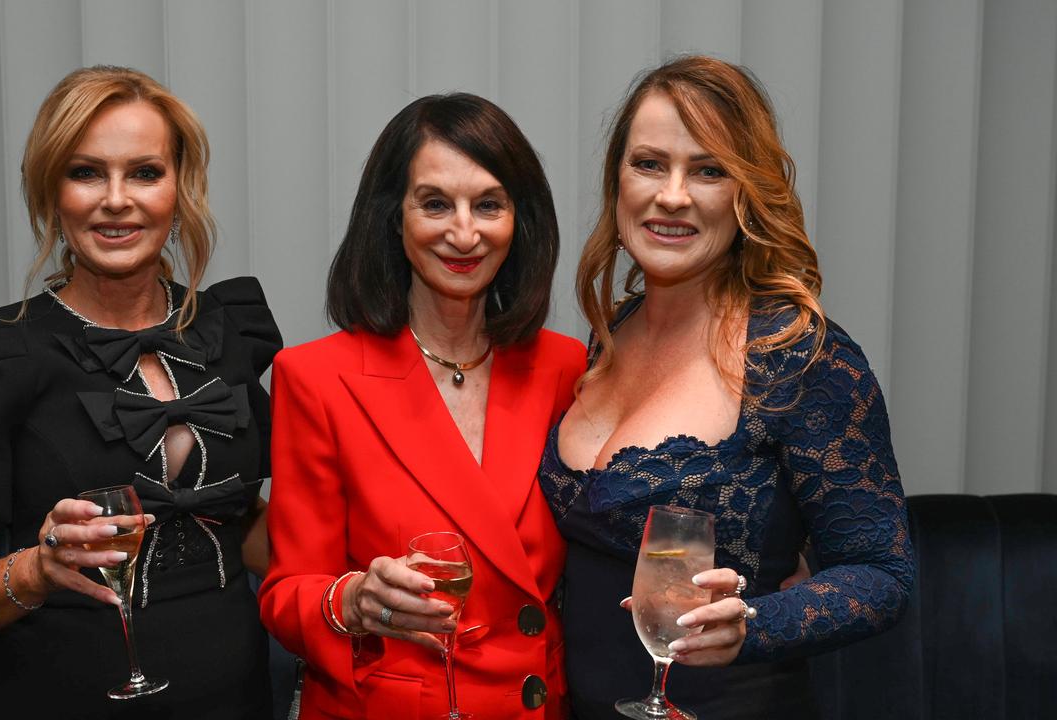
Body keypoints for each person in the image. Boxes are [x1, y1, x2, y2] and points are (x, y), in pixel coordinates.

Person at [0, 66, 280, 718]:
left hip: (234, 690)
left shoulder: (226, 333)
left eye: (144, 172)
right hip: (65, 693)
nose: (117, 198)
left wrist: (357, 565)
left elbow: (239, 528)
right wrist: (37, 567)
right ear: (50, 191)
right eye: (86, 172)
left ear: (180, 187)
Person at [539, 56, 914, 719]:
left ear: (746, 193)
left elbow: (883, 575)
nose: (673, 195)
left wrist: (755, 625)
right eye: (649, 163)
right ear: (616, 180)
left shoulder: (797, 354)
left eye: (708, 170)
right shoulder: (609, 335)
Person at [259, 93, 585, 719]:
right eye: (435, 203)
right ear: (393, 217)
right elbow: (285, 593)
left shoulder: (565, 368)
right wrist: (352, 600)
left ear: (521, 220)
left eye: (488, 204)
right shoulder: (315, 378)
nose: (464, 234)